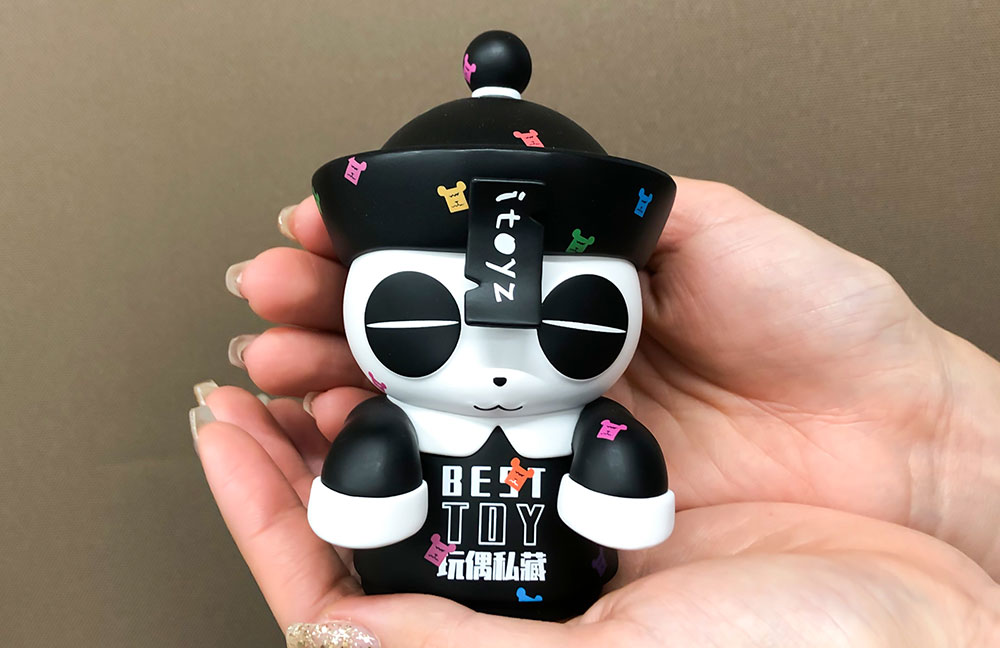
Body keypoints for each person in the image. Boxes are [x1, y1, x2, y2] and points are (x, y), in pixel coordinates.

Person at [192, 178, 1000, 647]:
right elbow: (362, 485)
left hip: (571, 574)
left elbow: (624, 479)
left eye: (562, 318)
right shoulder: (392, 418)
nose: (499, 360)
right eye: (431, 317)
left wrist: (622, 480)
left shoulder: (594, 420)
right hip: (415, 569)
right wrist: (365, 482)